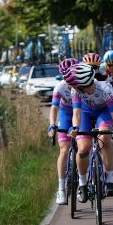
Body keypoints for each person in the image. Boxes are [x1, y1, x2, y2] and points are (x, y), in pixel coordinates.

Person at [66, 63, 113, 201]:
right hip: (85, 113)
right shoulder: (76, 91)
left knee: (105, 137)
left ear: (82, 84)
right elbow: (77, 113)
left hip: (103, 113)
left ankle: (110, 178)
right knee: (84, 148)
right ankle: (83, 183)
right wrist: (75, 128)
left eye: (73, 84)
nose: (71, 87)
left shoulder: (105, 88)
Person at [48, 58, 78, 204]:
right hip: (66, 116)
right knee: (64, 150)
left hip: (81, 114)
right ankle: (61, 189)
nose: (68, 79)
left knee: (86, 147)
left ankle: (87, 182)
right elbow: (54, 108)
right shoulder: (59, 87)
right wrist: (52, 124)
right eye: (65, 76)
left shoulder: (83, 84)